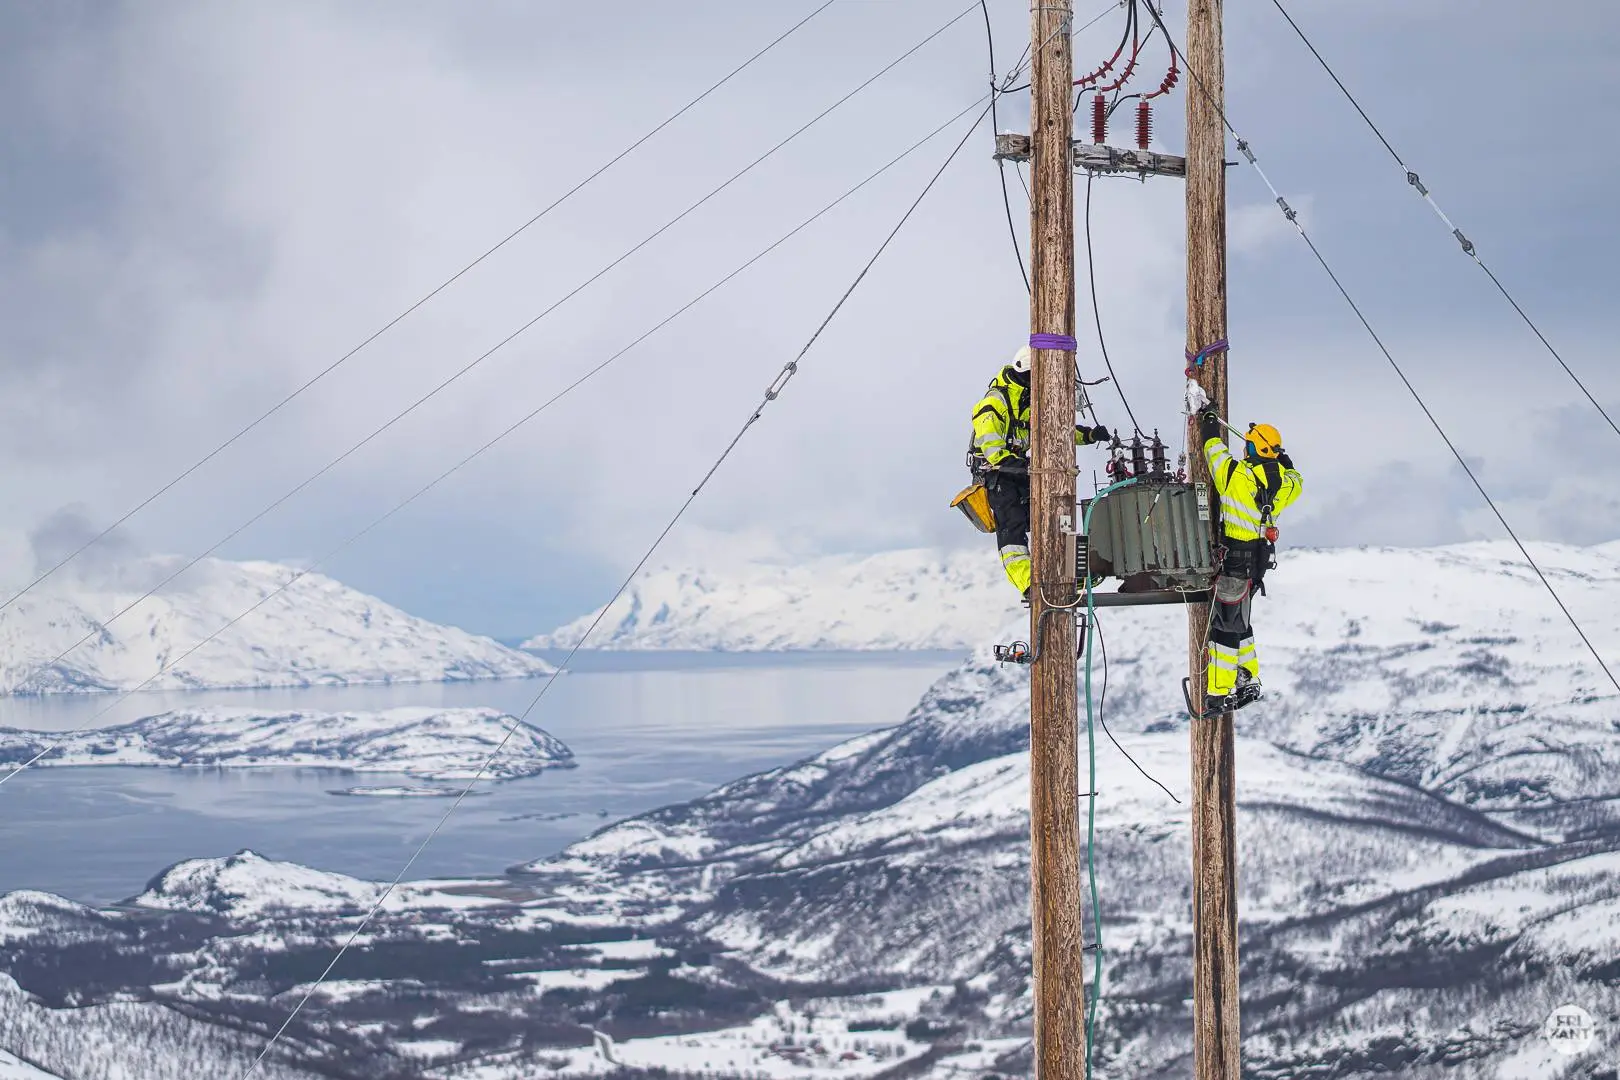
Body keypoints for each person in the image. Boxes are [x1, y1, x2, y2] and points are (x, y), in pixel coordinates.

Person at [971, 345, 1111, 596]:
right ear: (1026, 373)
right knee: (1012, 531)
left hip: (1022, 471)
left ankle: (1069, 574)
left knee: (1057, 516)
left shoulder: (1029, 399)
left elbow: (1053, 430)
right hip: (998, 476)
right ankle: (1028, 584)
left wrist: (1088, 435)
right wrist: (1030, 468)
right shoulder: (995, 403)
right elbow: (994, 453)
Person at [1196, 406, 1303, 716]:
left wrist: (1208, 423)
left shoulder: (1235, 475)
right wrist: (1282, 460)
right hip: (1257, 565)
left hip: (1234, 565)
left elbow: (1212, 450)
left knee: (1225, 629)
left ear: (1253, 448)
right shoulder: (1285, 484)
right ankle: (1248, 678)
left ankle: (1219, 692)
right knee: (1240, 622)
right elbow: (1296, 476)